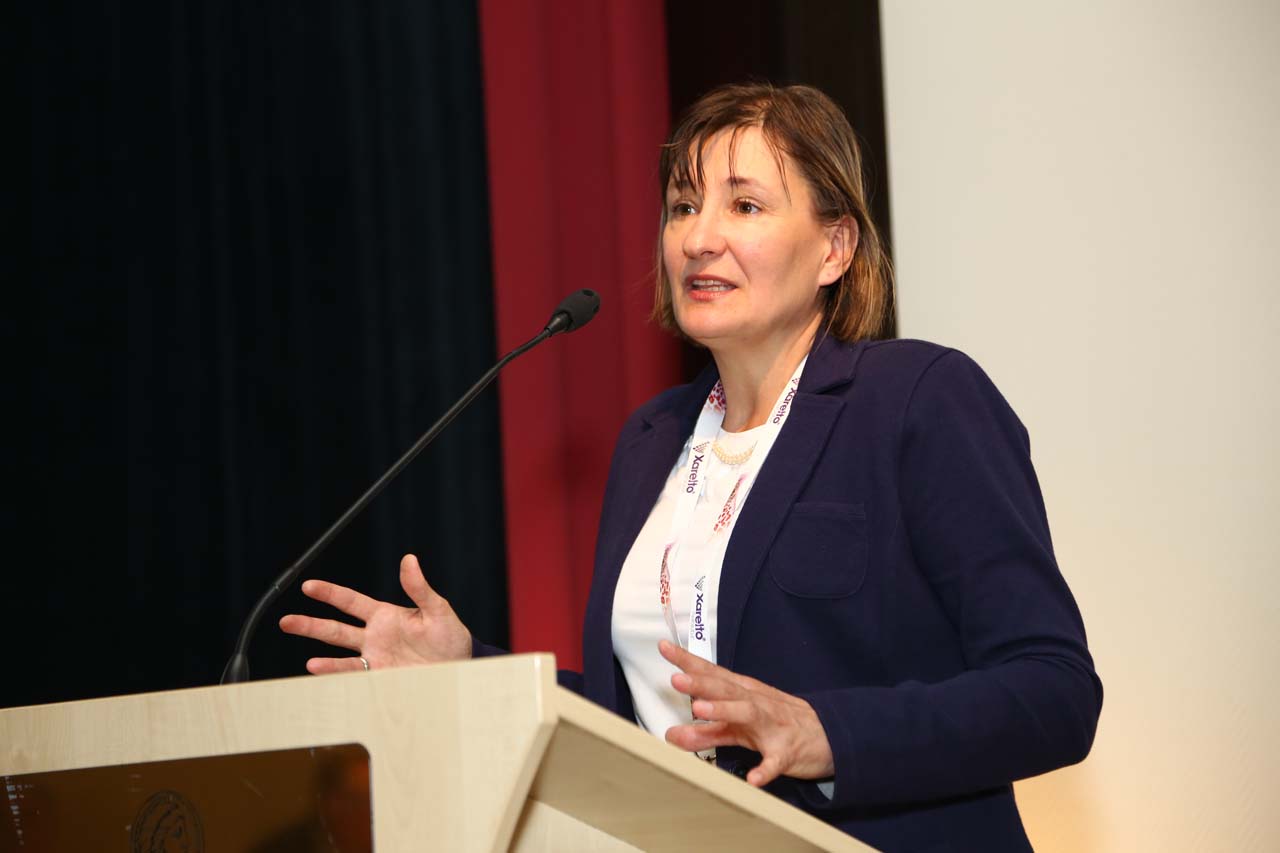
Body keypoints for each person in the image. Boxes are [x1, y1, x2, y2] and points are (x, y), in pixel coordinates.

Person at [280, 82, 1102, 852]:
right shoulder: (653, 438)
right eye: (682, 206)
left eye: (744, 204)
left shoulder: (915, 399)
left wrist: (826, 733)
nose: (698, 237)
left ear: (835, 247)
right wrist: (469, 671)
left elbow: (1055, 690)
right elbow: (638, 725)